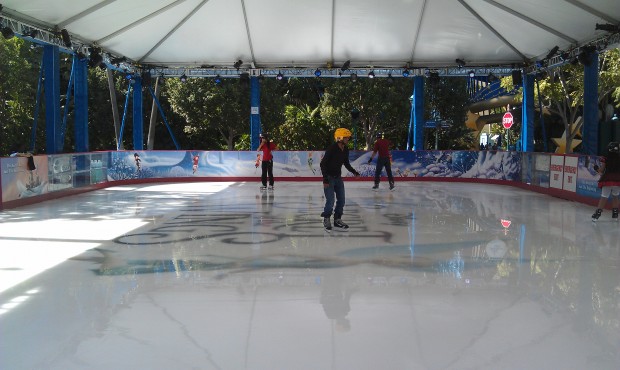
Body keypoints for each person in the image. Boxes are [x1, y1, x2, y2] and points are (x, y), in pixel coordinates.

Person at [320, 128, 360, 232]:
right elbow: (323, 163)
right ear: (340, 138)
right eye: (346, 137)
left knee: (341, 200)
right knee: (330, 200)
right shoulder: (332, 148)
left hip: (338, 178)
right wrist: (325, 179)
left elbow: (346, 163)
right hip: (329, 178)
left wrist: (354, 172)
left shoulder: (345, 149)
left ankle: (337, 219)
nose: (348, 139)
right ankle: (326, 218)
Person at [592, 141, 620, 221]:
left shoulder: (605, 158)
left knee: (604, 197)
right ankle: (615, 215)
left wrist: (596, 168)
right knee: (615, 196)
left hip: (607, 180)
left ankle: (597, 215)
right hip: (618, 181)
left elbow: (601, 171)